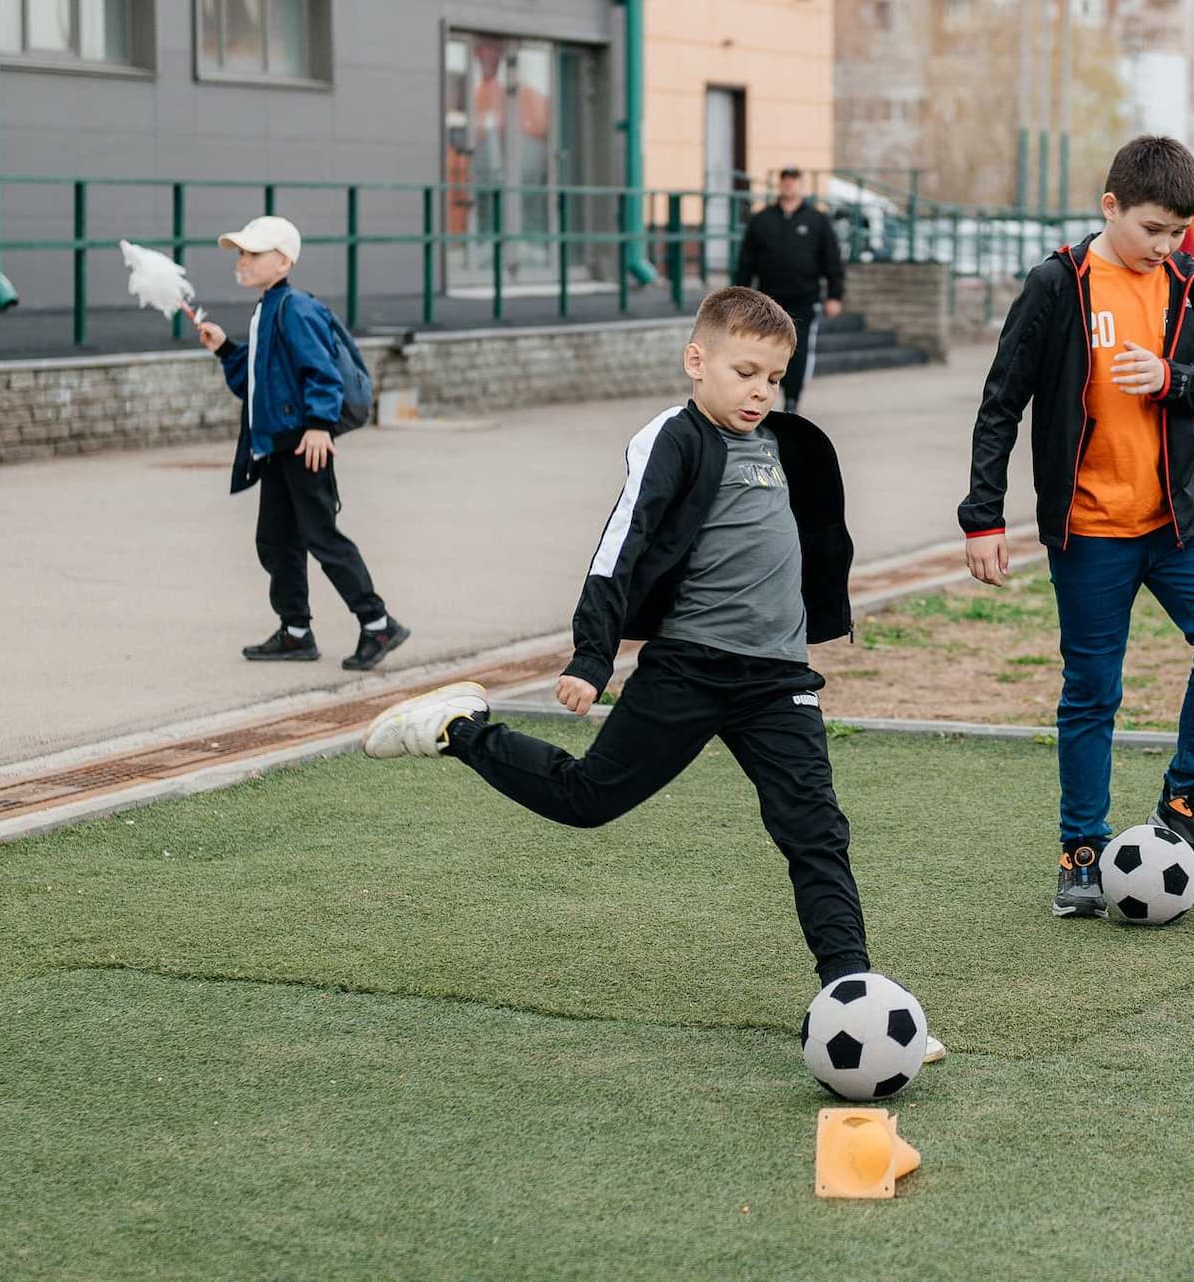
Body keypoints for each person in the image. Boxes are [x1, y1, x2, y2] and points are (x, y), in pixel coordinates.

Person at [360, 289, 942, 1050]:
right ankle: (458, 729)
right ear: (696, 361)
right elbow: (621, 545)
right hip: (690, 669)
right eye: (744, 373)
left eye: (774, 378)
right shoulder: (674, 437)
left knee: (816, 832)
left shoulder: (786, 444)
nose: (760, 392)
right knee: (586, 799)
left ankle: (854, 998)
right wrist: (592, 656)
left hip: (776, 679)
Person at [956, 135, 1194, 919]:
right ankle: (1081, 851)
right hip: (1089, 531)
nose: (1165, 246)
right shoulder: (1059, 285)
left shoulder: (1191, 286)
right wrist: (982, 517)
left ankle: (1187, 798)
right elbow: (1000, 403)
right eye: (1153, 229)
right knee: (1093, 690)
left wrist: (1171, 379)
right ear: (1111, 206)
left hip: (1176, 523)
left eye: (1179, 232)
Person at [195, 216, 408, 670]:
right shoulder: (268, 309)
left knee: (321, 536)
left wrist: (318, 425)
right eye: (241, 253)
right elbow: (258, 384)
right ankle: (295, 632)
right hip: (276, 446)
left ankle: (377, 623)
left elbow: (322, 373)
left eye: (253, 253)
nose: (243, 260)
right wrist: (225, 349)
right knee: (276, 541)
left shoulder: (295, 309)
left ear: (283, 262)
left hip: (304, 444)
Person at [733, 166, 846, 415]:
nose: (789, 185)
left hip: (804, 299)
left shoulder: (817, 220)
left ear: (800, 185)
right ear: (780, 184)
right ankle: (761, 396)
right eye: (785, 180)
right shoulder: (762, 220)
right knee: (764, 350)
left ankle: (793, 399)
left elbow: (832, 260)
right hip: (769, 301)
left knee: (798, 350)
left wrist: (835, 295)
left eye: (794, 181)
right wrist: (739, 296)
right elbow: (746, 262)